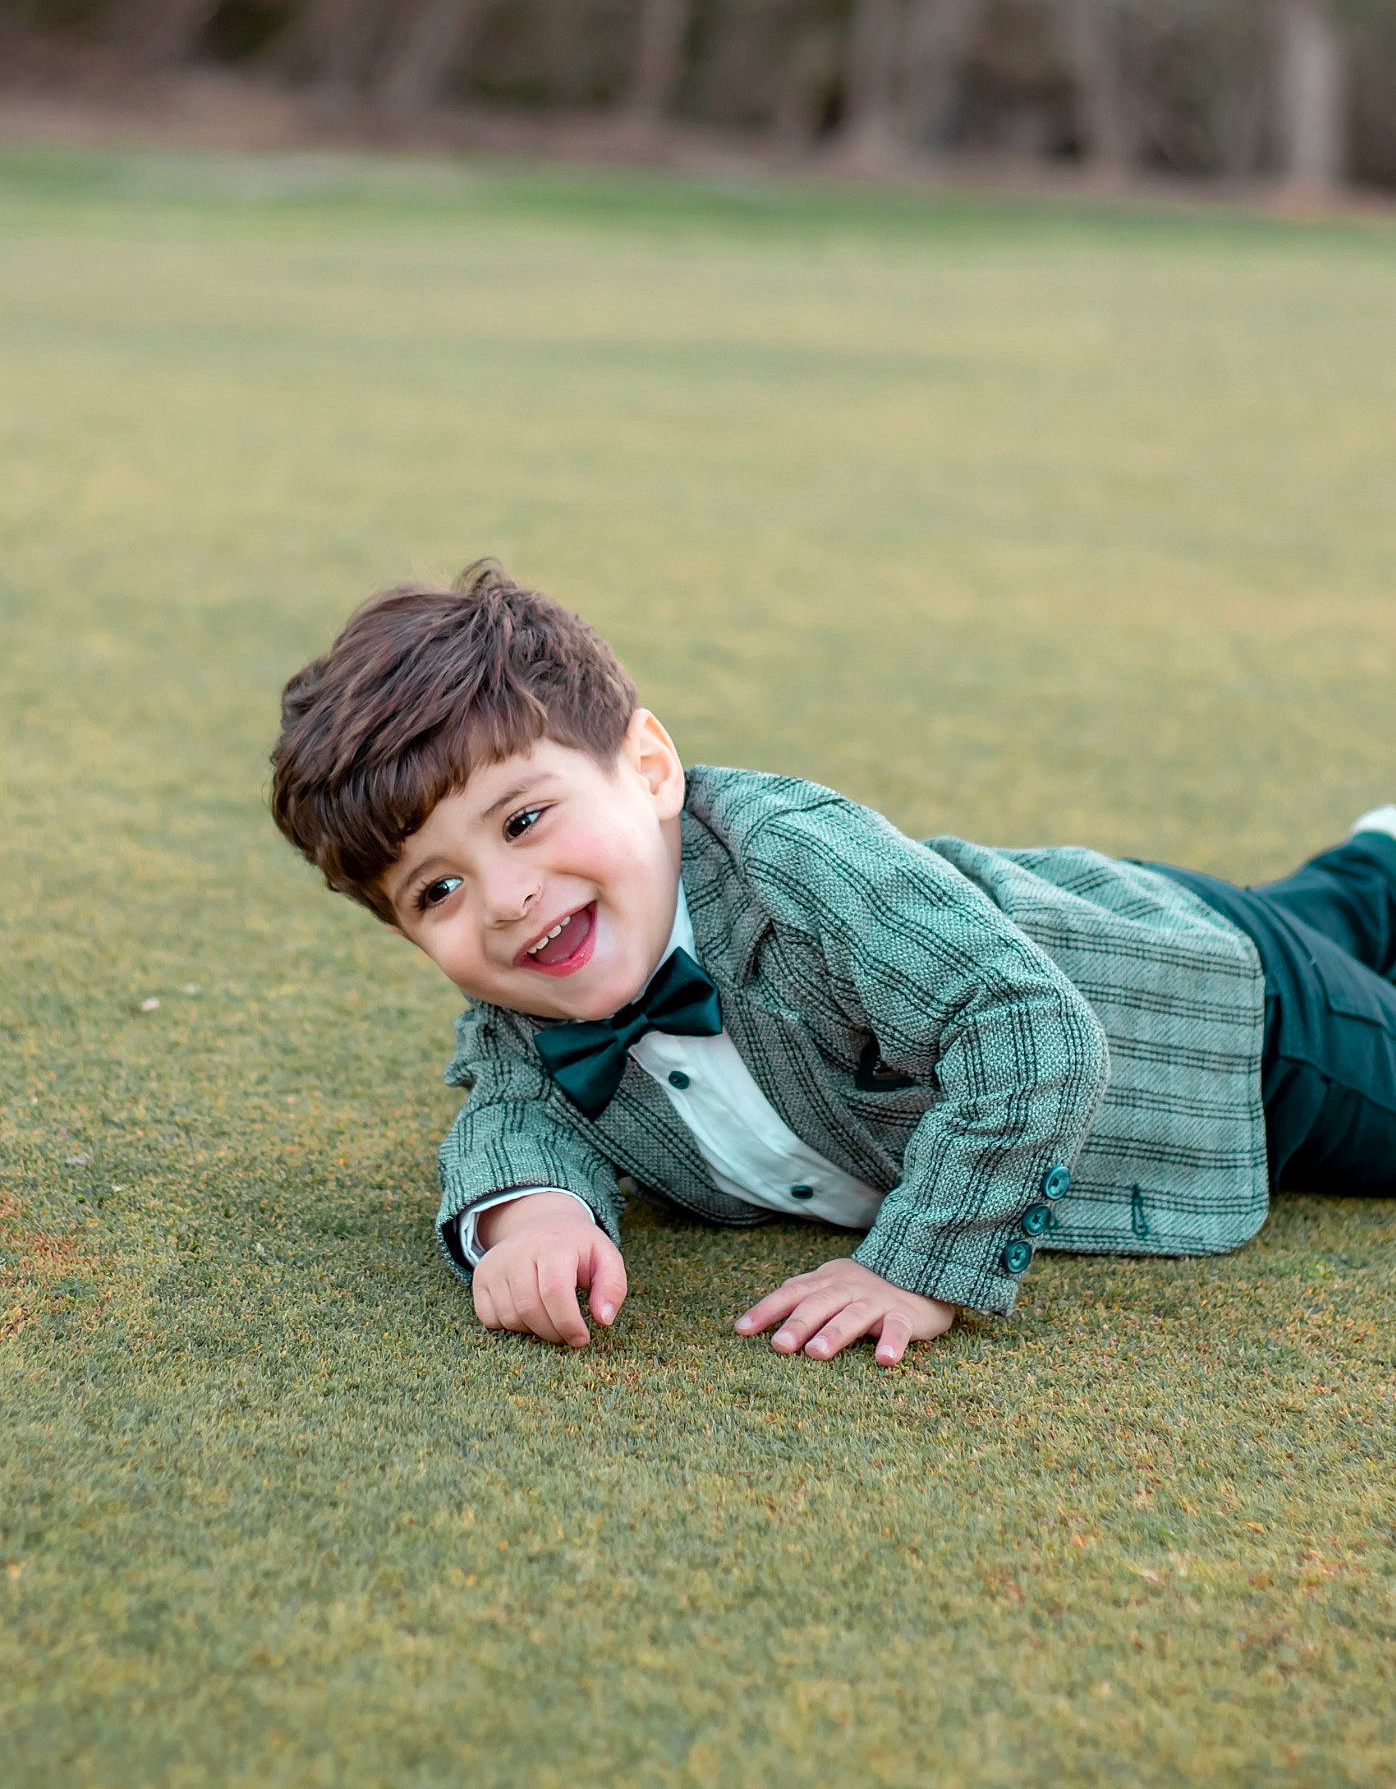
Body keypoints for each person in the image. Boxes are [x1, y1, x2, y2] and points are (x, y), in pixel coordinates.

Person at [269, 563, 1396, 1368]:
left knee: (1312, 980)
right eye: (438, 890)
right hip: (1106, 908)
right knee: (1331, 907)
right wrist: (535, 1217)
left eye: (523, 821)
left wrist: (915, 1268)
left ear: (649, 768)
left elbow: (1025, 1028)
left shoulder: (791, 863)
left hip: (1226, 1028)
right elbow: (512, 1107)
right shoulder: (524, 1001)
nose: (507, 899)